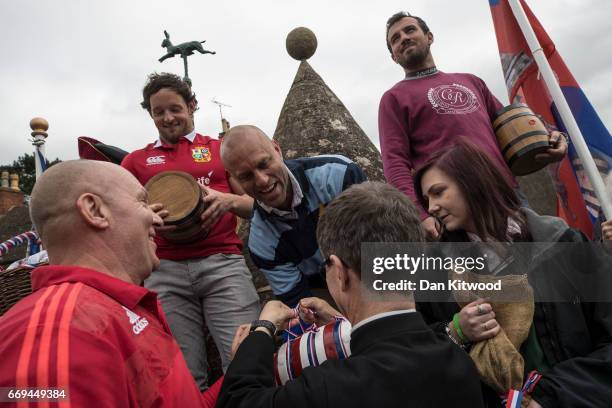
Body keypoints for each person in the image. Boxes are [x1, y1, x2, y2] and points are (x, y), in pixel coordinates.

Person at [216, 181, 485, 408]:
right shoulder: (463, 366)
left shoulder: (329, 389)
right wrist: (342, 324)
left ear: (339, 271)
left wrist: (260, 334)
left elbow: (238, 400)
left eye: (326, 268)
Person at [0, 160, 223, 407]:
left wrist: (250, 359)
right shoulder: (55, 331)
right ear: (95, 210)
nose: (157, 220)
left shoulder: (117, 309)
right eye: (142, 202)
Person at [413, 141, 612, 407]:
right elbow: (416, 352)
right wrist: (455, 331)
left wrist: (548, 398)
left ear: (473, 182)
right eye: (427, 199)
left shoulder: (564, 243)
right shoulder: (435, 272)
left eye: (438, 193)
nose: (432, 207)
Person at [121, 73, 260, 390]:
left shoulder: (220, 149)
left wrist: (226, 200)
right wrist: (146, 216)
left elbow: (255, 205)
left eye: (175, 108)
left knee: (246, 363)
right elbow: (122, 217)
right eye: (159, 112)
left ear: (192, 105)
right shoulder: (135, 162)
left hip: (223, 264)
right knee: (182, 378)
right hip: (164, 272)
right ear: (151, 114)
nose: (167, 118)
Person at [378, 11, 568, 238]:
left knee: (542, 265)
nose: (403, 38)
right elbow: (394, 163)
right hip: (455, 206)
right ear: (394, 57)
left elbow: (511, 125)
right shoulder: (393, 98)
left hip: (506, 194)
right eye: (395, 39)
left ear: (429, 36)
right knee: (492, 274)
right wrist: (420, 214)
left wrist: (551, 139)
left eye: (410, 30)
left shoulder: (471, 81)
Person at [220, 125, 366, 307]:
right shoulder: (261, 244)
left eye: (264, 164)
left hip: (373, 272)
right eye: (246, 176)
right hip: (327, 297)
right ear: (233, 178)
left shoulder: (338, 174)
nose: (262, 180)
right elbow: (301, 304)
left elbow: (387, 246)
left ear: (277, 149)